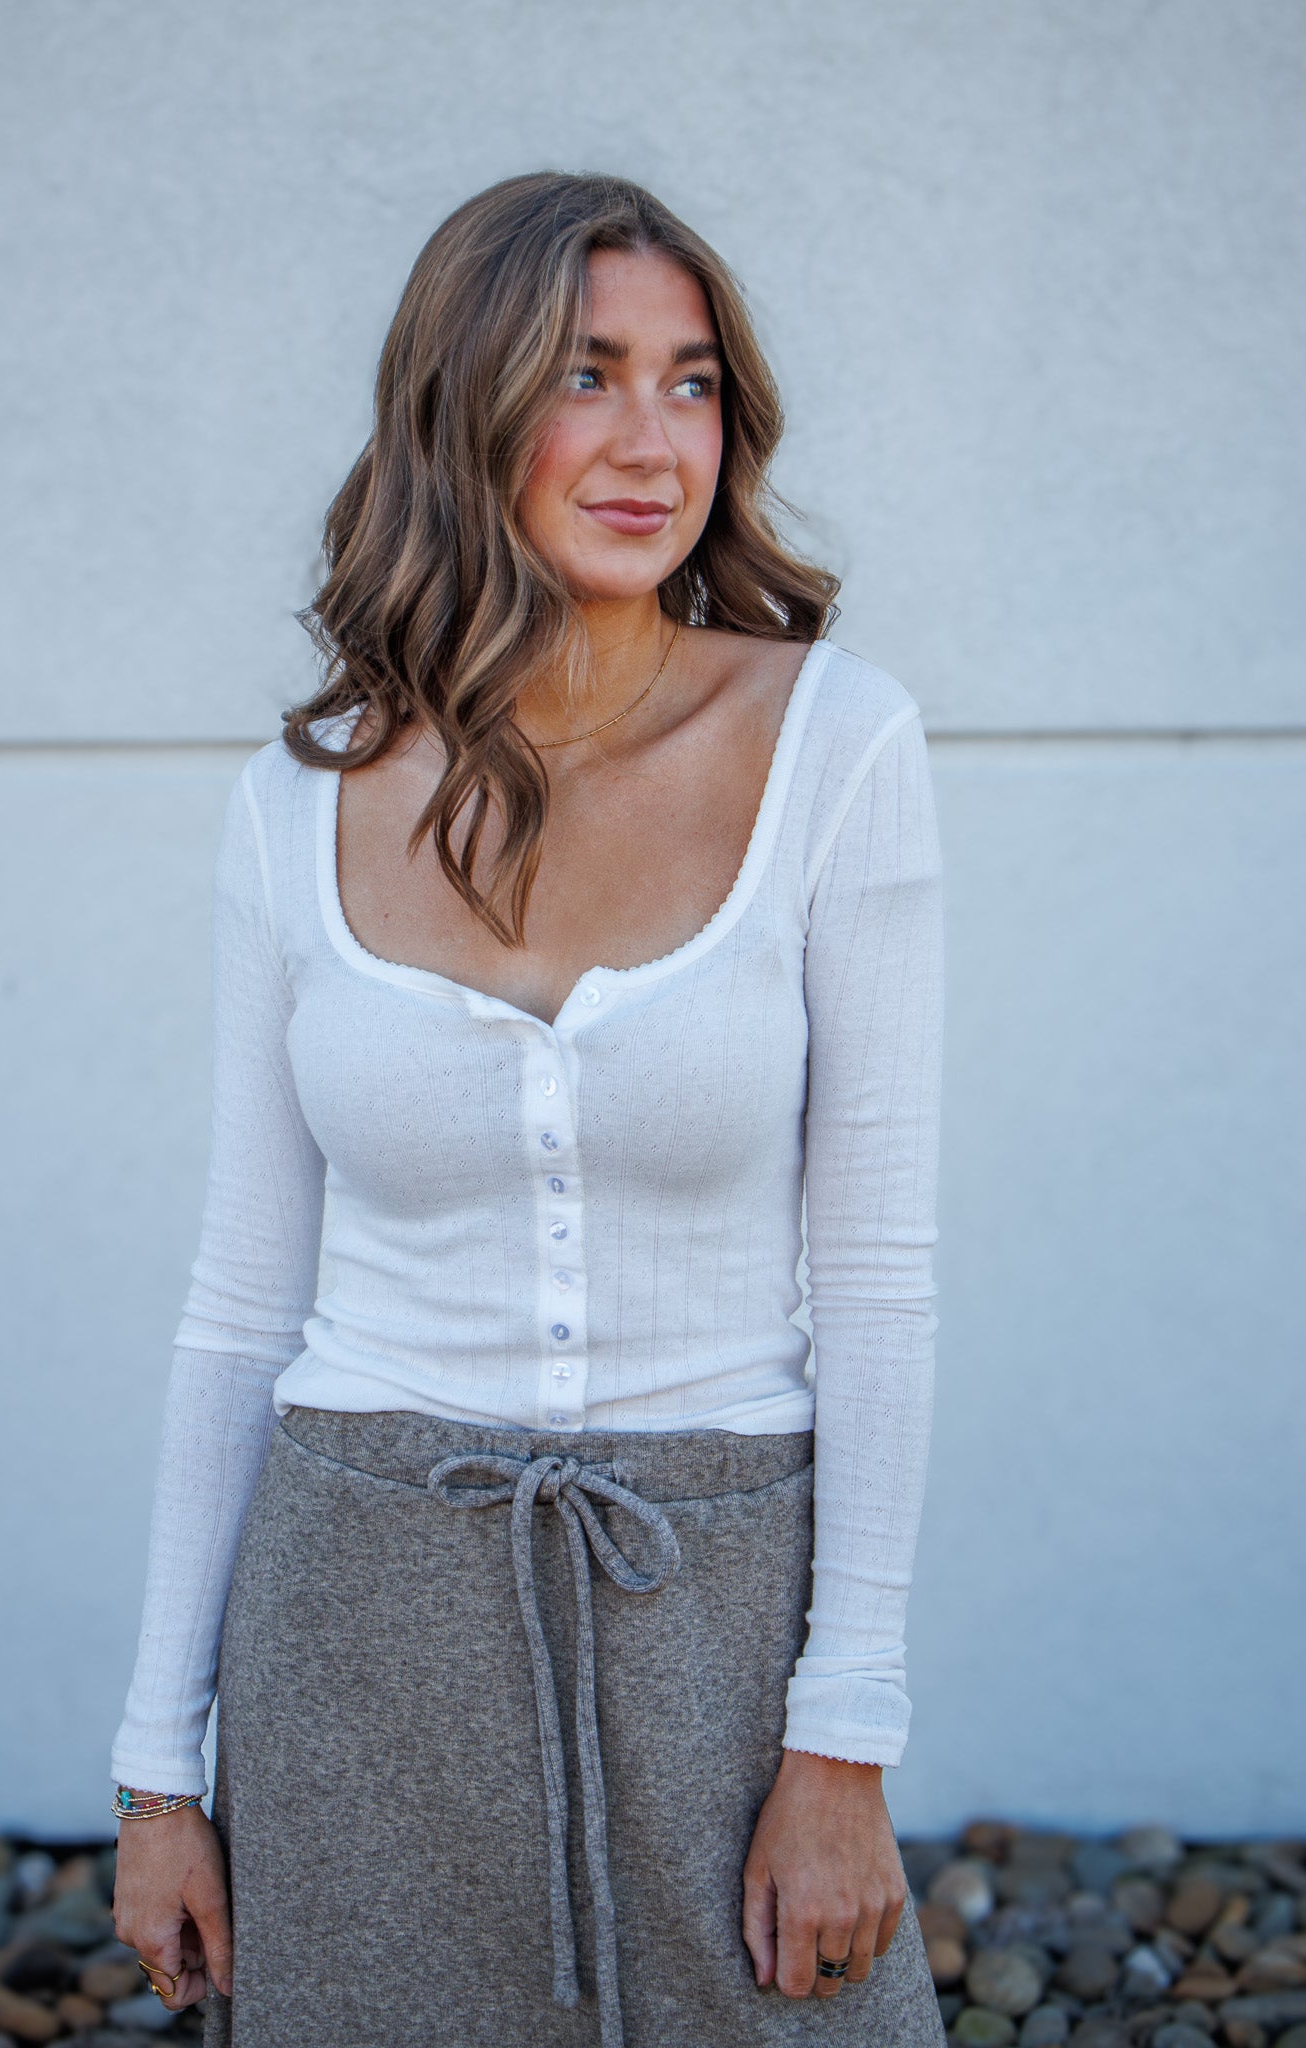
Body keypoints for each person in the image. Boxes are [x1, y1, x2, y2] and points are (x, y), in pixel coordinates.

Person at [108, 169, 947, 2048]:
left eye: (690, 381)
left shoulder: (834, 743)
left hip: (715, 1594)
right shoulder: (296, 799)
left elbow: (878, 1281)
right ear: (460, 407)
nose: (653, 442)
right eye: (586, 375)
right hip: (356, 1612)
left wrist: (845, 1734)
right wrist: (159, 1773)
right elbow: (240, 1303)